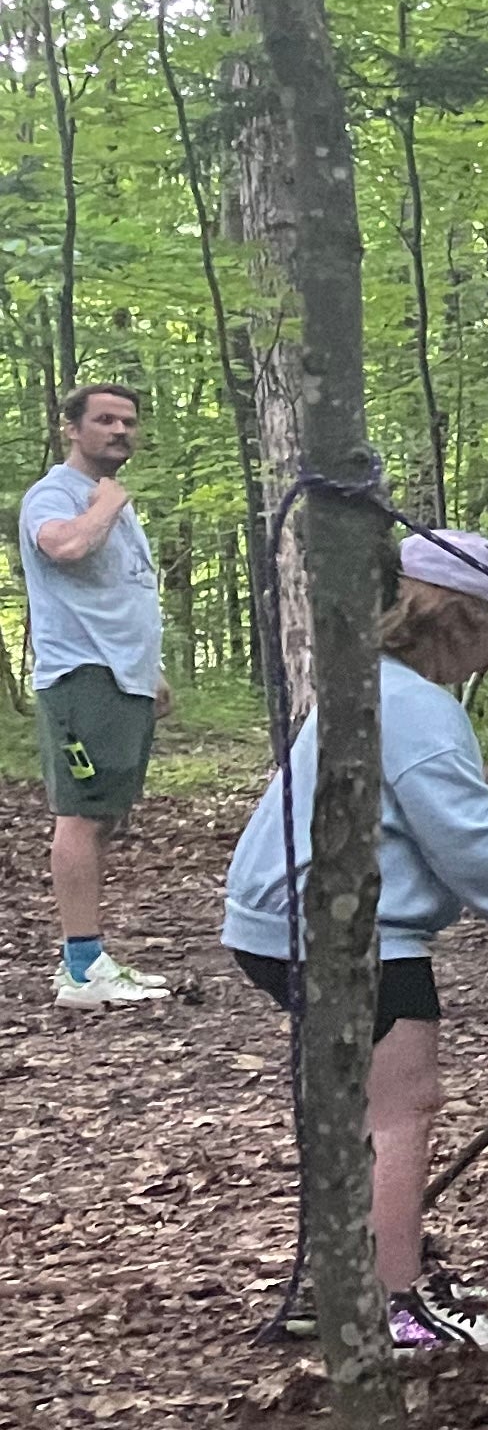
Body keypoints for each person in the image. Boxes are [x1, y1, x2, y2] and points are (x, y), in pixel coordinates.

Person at [222, 533, 488, 1357]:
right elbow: (477, 857)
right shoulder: (417, 707)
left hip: (288, 924)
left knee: (356, 1109)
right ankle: (390, 1299)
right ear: (455, 619)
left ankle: (339, 1277)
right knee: (401, 1110)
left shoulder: (372, 689)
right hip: (350, 934)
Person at [22, 386, 171, 1006]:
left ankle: (89, 959)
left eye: (128, 422)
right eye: (104, 420)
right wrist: (106, 504)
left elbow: (120, 591)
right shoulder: (57, 493)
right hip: (81, 677)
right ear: (70, 429)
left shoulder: (114, 502)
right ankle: (81, 968)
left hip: (120, 678)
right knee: (80, 817)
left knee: (102, 815)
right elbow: (65, 545)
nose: (119, 431)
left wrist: (151, 670)